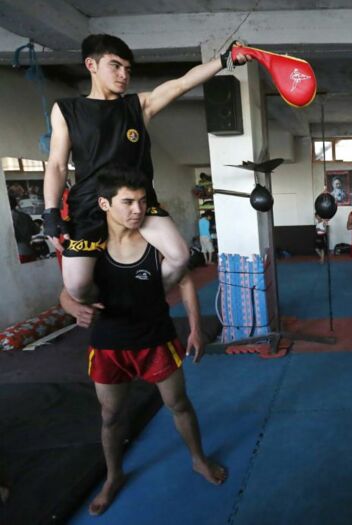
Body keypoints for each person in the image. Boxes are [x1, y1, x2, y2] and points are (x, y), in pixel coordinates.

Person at [58, 166, 226, 516]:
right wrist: (74, 308)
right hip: (108, 345)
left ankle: (198, 460)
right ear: (105, 204)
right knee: (110, 416)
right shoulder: (91, 244)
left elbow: (184, 280)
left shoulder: (155, 242)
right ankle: (114, 476)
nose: (137, 209)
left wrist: (195, 328)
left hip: (155, 339)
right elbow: (67, 291)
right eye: (128, 202)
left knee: (179, 404)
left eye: (142, 201)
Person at [43, 34, 249, 303]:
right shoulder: (67, 109)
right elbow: (57, 165)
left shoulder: (137, 106)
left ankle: (143, 302)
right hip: (90, 204)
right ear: (91, 65)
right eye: (115, 66)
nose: (123, 75)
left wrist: (225, 60)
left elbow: (182, 84)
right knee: (78, 286)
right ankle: (113, 306)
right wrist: (50, 211)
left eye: (127, 69)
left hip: (138, 202)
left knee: (179, 256)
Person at [9, 194, 39, 263]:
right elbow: (35, 231)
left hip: (15, 254)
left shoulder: (5, 219)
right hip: (29, 251)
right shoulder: (25, 216)